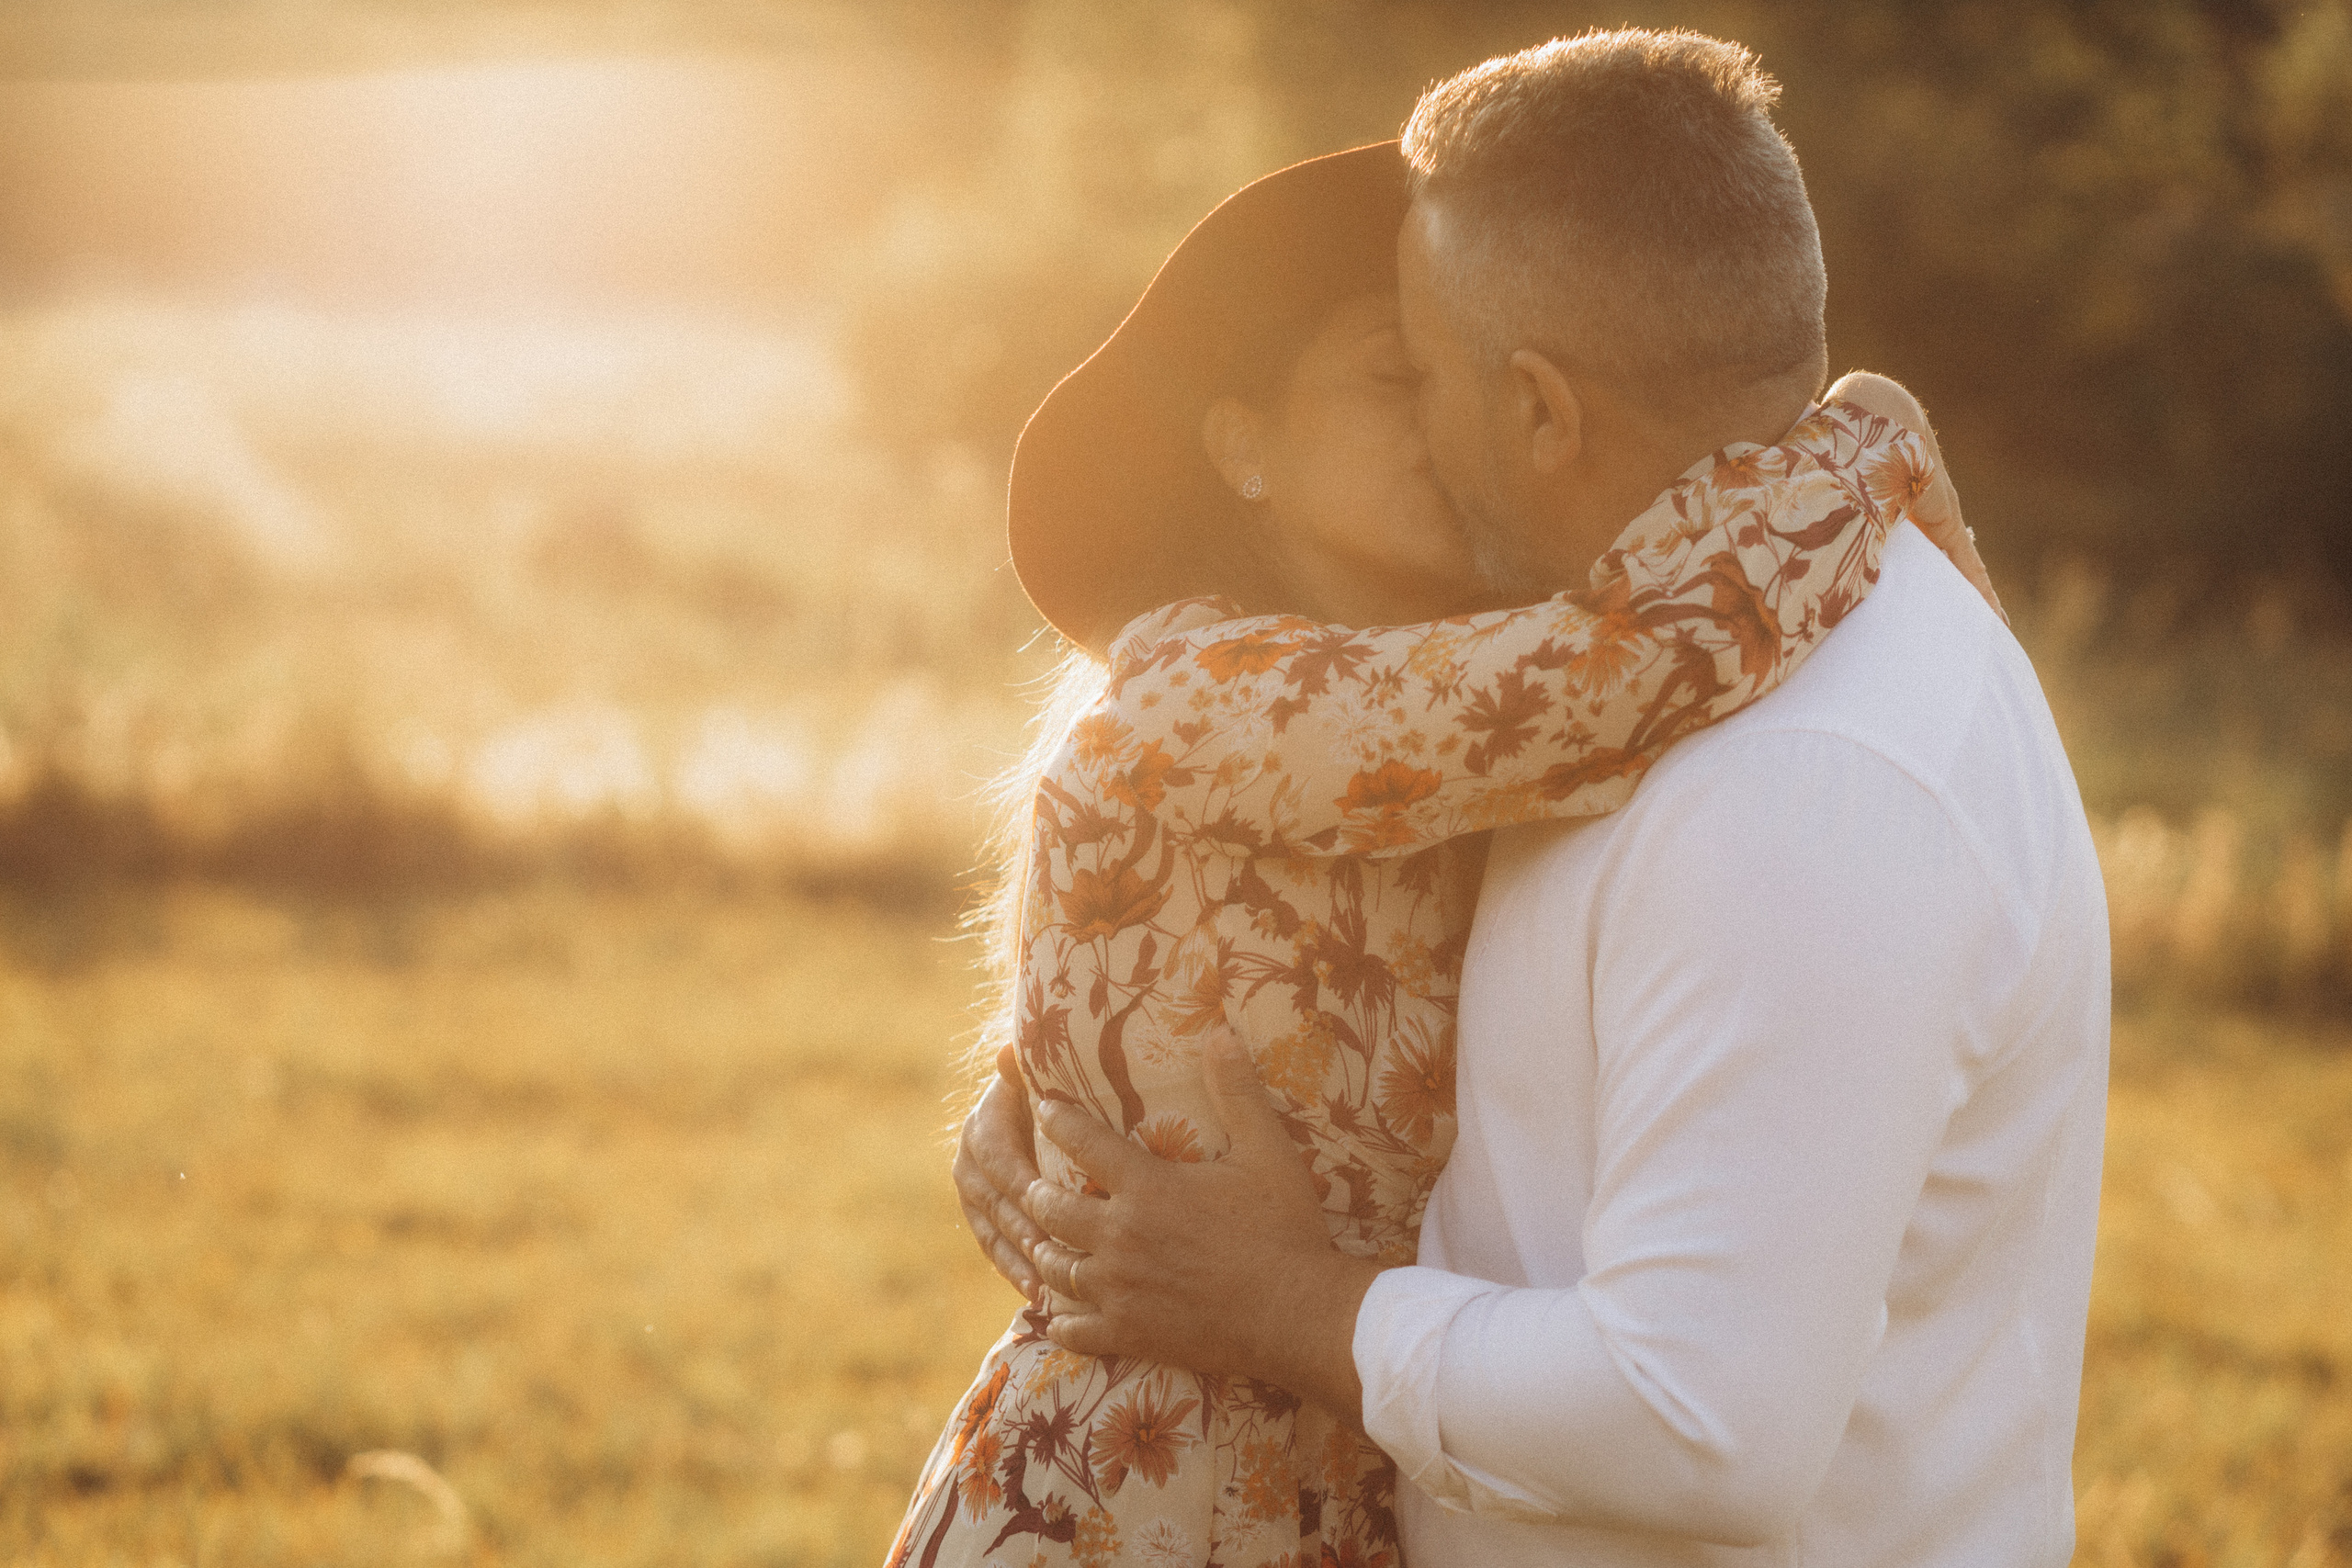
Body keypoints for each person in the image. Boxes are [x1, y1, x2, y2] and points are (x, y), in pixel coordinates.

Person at [967, 28, 2109, 1568]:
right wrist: (1855, 449)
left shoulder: (1770, 768)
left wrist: (1282, 1292)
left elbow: (1701, 1420)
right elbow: (1619, 664)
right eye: (1396, 378)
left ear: (1543, 412)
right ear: (1241, 447)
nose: (1430, 436)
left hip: (1314, 1480)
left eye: (1425, 375)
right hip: (1163, 1504)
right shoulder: (1307, 705)